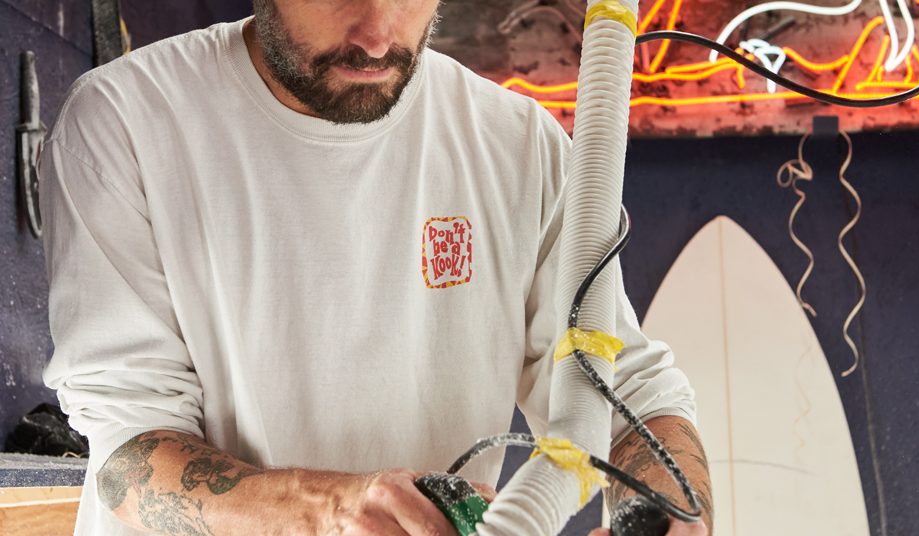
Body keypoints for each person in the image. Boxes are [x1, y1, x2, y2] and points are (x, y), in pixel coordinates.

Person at [39, 1, 712, 534]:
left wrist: (674, 513)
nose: (376, 36)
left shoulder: (519, 145)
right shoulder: (127, 120)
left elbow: (627, 398)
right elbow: (128, 456)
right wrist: (332, 509)